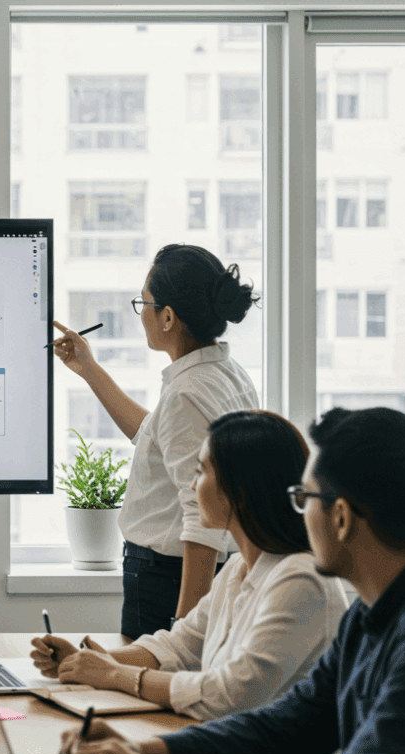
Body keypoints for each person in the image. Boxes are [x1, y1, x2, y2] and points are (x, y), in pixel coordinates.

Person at [57, 407, 405, 754]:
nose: (299, 511)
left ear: (342, 518)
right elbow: (285, 728)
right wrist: (152, 753)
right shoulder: (376, 611)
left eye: (304, 497)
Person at [30, 410, 349, 720]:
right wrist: (89, 661)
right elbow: (178, 646)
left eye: (200, 471)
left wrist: (116, 674)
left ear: (239, 489)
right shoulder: (238, 569)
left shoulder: (300, 580)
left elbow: (231, 694)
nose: (193, 486)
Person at [51, 244, 259, 638]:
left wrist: (185, 628)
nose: (141, 314)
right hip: (181, 573)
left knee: (152, 689)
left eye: (142, 303)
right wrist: (88, 370)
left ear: (167, 317)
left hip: (167, 580)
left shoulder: (187, 393)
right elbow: (156, 436)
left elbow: (201, 517)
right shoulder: (224, 374)